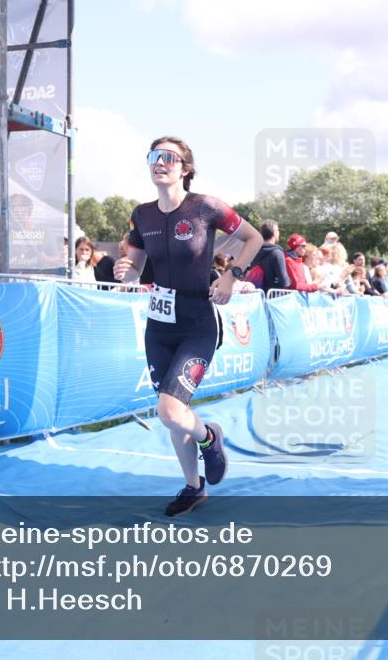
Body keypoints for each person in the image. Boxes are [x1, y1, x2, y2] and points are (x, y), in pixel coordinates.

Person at [113, 136, 262, 516]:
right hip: (159, 325)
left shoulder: (205, 208)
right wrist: (125, 270)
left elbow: (253, 238)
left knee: (169, 410)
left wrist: (231, 276)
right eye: (153, 156)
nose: (159, 162)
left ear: (185, 168)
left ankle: (211, 438)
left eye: (168, 157)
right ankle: (193, 488)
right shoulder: (141, 215)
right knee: (174, 413)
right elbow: (132, 271)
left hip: (197, 322)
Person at [245, 219, 290, 290]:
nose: (279, 232)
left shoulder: (254, 250)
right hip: (274, 297)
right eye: (278, 230)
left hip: (257, 295)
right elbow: (284, 281)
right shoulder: (277, 253)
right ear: (274, 232)